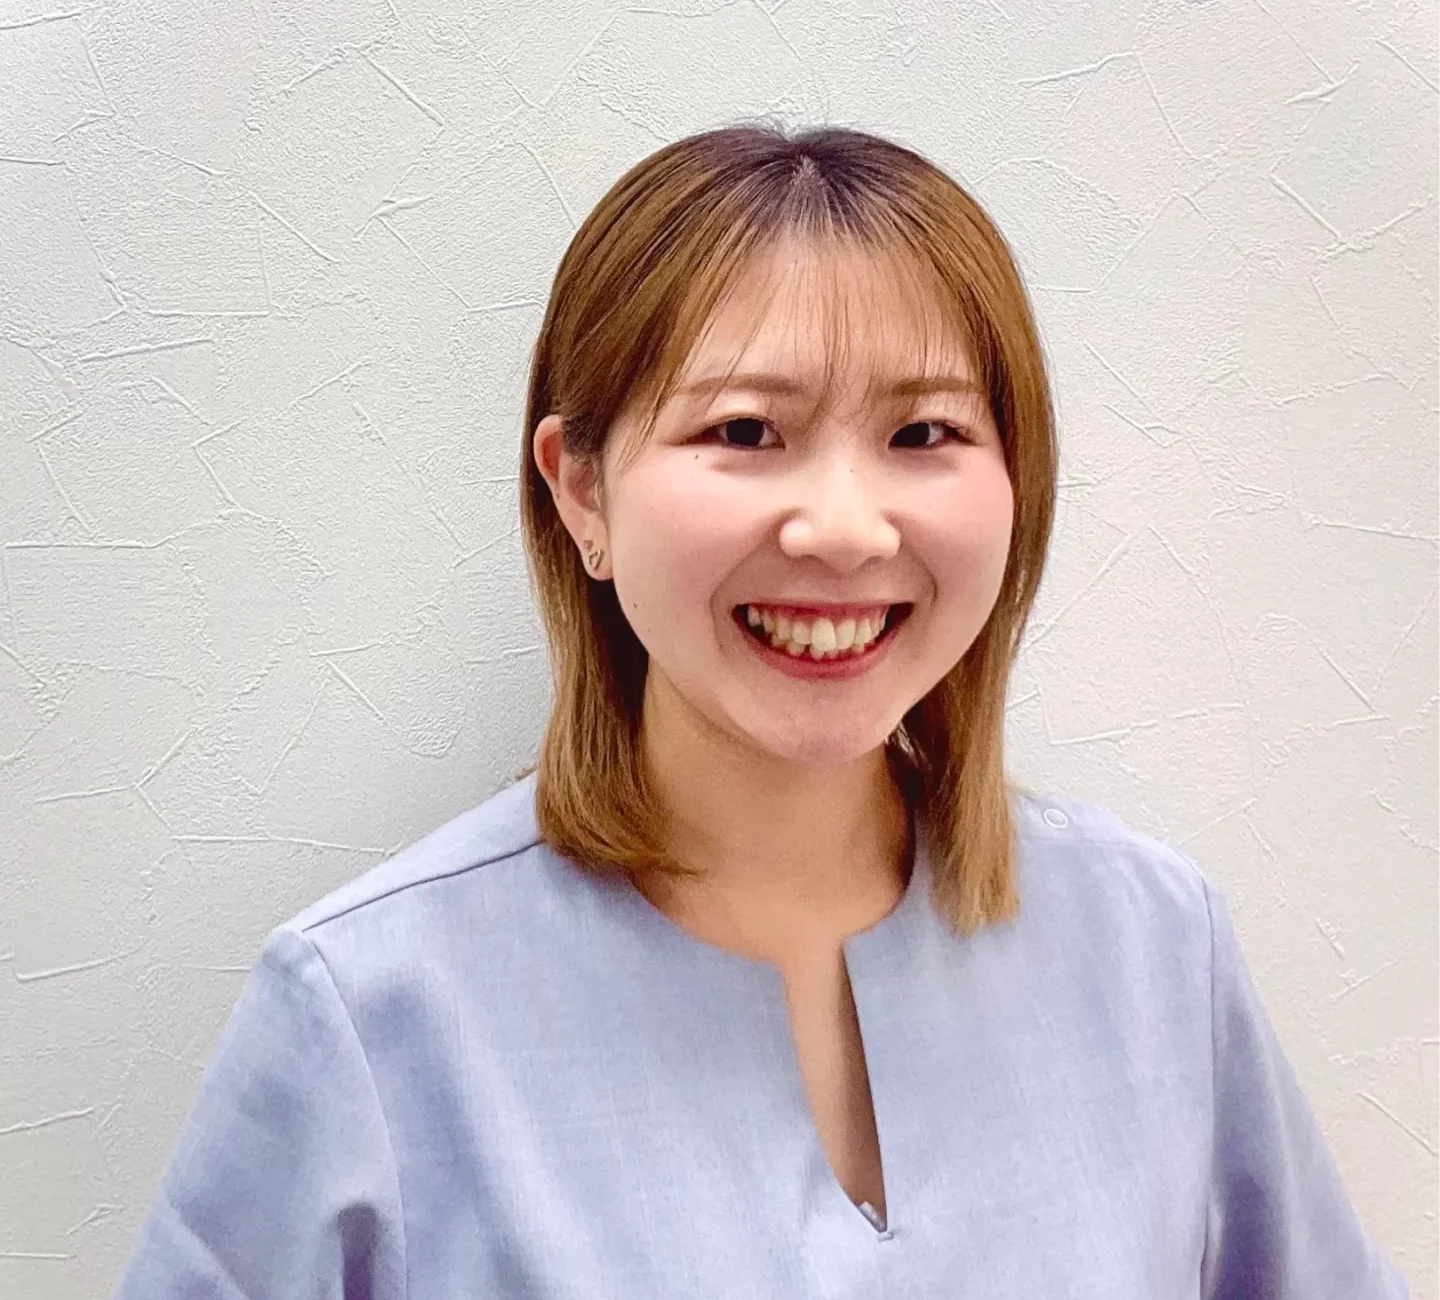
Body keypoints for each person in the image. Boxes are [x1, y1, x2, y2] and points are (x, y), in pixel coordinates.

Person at [110, 122, 1410, 1299]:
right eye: (744, 430)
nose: (843, 529)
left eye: (924, 433)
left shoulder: (1154, 946)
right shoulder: (367, 1016)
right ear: (581, 491)